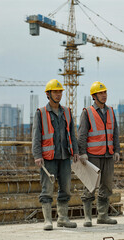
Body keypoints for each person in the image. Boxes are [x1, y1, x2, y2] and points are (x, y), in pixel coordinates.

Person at [32, 79, 79, 230]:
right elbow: (36, 135)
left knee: (65, 188)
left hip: (65, 156)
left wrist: (75, 151)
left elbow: (72, 132)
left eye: (60, 92)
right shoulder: (41, 113)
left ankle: (63, 218)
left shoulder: (67, 111)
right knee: (47, 189)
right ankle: (48, 220)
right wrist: (37, 155)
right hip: (48, 157)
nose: (58, 95)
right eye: (55, 92)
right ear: (48, 94)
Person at [78, 81, 120, 227]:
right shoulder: (87, 112)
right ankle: (88, 217)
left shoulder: (111, 111)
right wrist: (82, 153)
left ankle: (102, 216)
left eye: (105, 93)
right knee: (90, 185)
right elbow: (82, 134)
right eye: (101, 93)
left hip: (108, 154)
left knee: (107, 186)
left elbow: (115, 133)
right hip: (93, 155)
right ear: (94, 96)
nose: (104, 96)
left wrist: (116, 150)